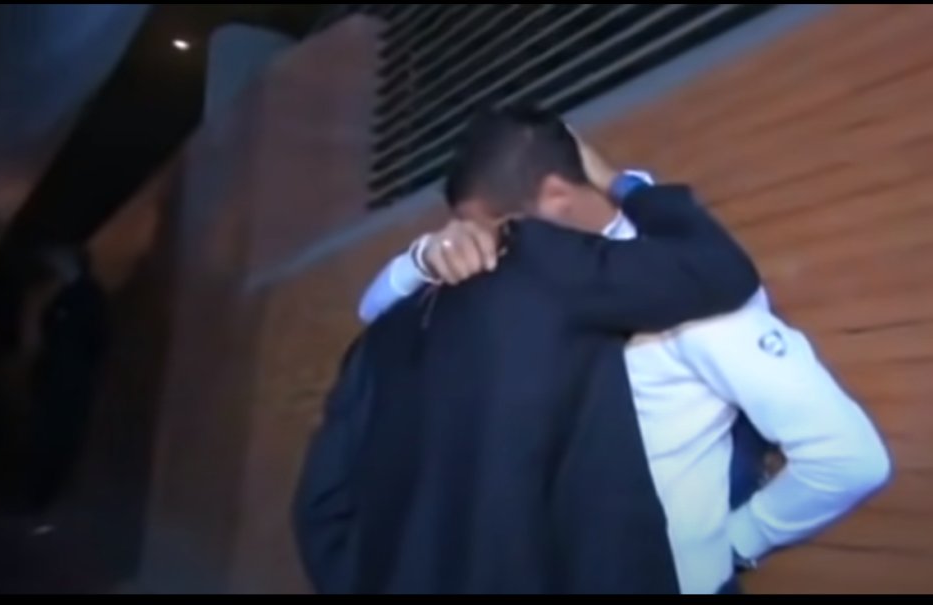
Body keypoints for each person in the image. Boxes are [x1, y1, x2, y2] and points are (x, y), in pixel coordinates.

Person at [357, 113, 893, 594]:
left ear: (556, 199)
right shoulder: (516, 275)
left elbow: (849, 458)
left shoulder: (691, 292)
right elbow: (376, 316)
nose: (488, 246)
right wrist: (426, 257)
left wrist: (734, 544)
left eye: (496, 228)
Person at [294, 107, 760, 594]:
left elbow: (320, 507)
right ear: (553, 196)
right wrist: (619, 183)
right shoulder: (549, 266)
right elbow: (718, 268)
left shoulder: (381, 338)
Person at [21, 245, 108, 530]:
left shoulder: (85, 296)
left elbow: (90, 339)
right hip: (57, 378)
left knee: (56, 439)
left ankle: (43, 497)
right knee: (47, 437)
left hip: (67, 381)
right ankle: (38, 496)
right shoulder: (66, 293)